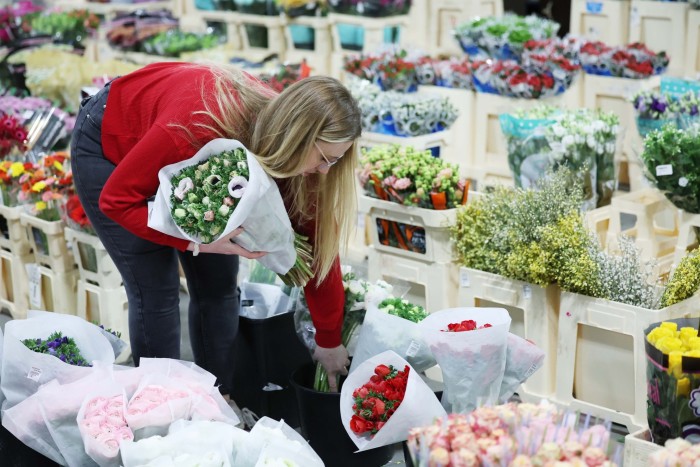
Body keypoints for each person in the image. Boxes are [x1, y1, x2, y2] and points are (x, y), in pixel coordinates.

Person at [69, 62, 363, 401]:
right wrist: (198, 242)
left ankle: (219, 400)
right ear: (296, 137)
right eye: (325, 158)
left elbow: (319, 252)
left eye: (336, 161)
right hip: (117, 146)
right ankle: (161, 411)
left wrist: (329, 340)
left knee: (219, 287)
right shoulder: (199, 124)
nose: (326, 172)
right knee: (157, 290)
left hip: (192, 157)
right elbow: (117, 201)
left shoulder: (306, 166)